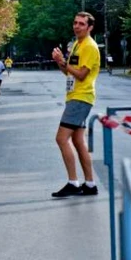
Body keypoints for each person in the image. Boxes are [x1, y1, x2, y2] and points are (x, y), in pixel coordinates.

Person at [50, 12, 100, 198]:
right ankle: (90, 184)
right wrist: (59, 62)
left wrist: (63, 61)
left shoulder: (89, 46)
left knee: (61, 139)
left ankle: (73, 182)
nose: (77, 26)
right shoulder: (77, 45)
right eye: (75, 23)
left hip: (81, 98)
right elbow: (69, 73)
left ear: (90, 28)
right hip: (75, 97)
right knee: (78, 142)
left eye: (81, 24)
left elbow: (81, 75)